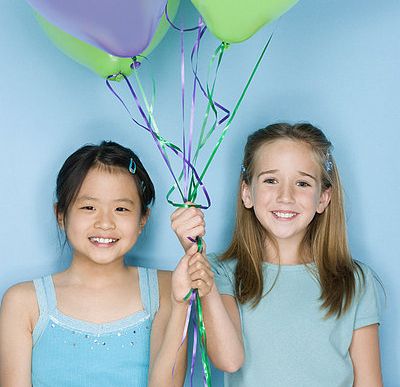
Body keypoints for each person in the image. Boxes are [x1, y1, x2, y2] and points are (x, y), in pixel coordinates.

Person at [171, 122, 384, 386]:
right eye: (271, 180)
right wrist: (195, 254)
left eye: (302, 183)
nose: (285, 196)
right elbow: (229, 360)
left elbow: (369, 382)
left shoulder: (356, 281)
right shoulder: (221, 272)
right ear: (247, 193)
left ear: (323, 198)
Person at [0, 140, 202, 387]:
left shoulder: (167, 288)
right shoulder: (23, 302)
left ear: (142, 219)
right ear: (60, 215)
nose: (105, 223)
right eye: (88, 207)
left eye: (121, 208)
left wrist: (181, 303)